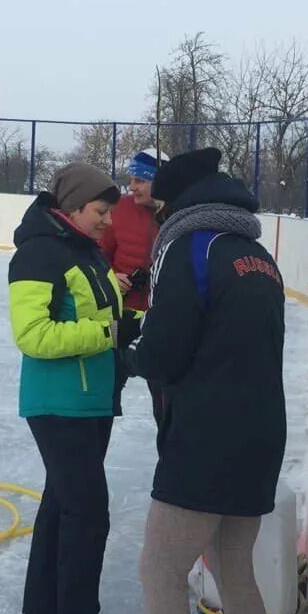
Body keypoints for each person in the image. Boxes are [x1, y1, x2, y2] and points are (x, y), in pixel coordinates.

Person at [90, 148, 288, 614]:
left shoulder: (190, 248)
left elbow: (169, 352)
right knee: (234, 569)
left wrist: (133, 353)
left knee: (159, 570)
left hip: (205, 439)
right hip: (260, 435)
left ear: (179, 202)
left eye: (160, 204)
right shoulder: (259, 256)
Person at [8, 163, 139, 614]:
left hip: (91, 400)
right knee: (88, 513)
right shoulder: (39, 253)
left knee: (62, 502)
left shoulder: (84, 252)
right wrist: (107, 336)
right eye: (102, 211)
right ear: (73, 207)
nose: (109, 221)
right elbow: (33, 335)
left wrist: (139, 322)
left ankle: (41, 609)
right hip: (58, 403)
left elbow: (103, 316)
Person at [100, 148, 168, 429]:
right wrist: (111, 278)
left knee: (164, 400)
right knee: (105, 389)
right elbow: (94, 259)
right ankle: (92, 455)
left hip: (159, 321)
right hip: (121, 316)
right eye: (132, 179)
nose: (133, 186)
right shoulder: (119, 210)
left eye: (141, 179)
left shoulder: (176, 213)